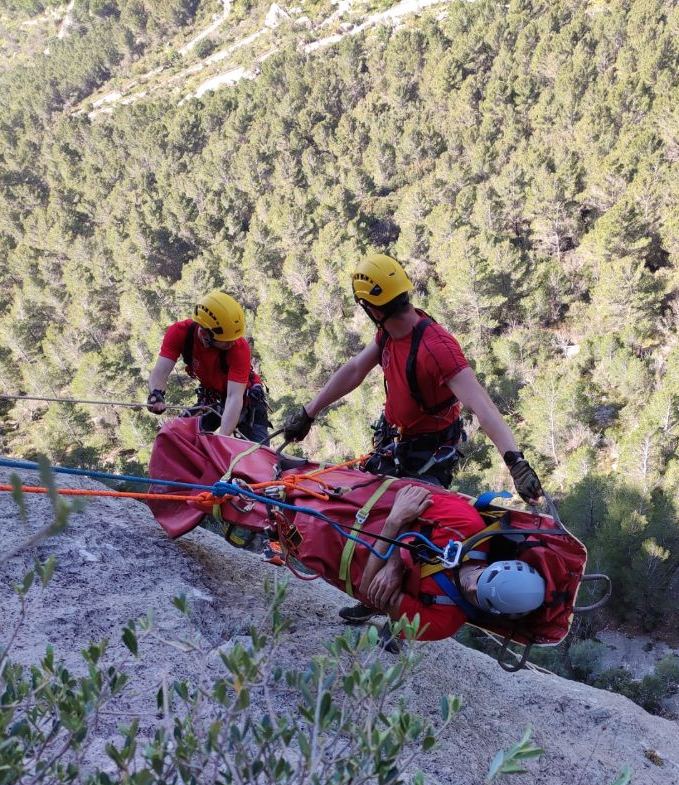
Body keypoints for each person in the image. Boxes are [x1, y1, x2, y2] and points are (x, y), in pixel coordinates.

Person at [279, 253, 544, 622]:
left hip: (428, 453)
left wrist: (515, 460)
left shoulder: (437, 347)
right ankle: (368, 587)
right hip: (395, 442)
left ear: (371, 306)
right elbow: (355, 368)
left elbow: (482, 405)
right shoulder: (390, 331)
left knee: (411, 526)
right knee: (368, 512)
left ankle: (395, 610)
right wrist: (309, 412)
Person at [357, 484, 546, 642]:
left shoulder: (442, 622)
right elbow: (409, 492)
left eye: (480, 599)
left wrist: (394, 523)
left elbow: (366, 591)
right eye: (481, 578)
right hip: (359, 509)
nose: (470, 587)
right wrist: (393, 564)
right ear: (493, 566)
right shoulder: (468, 525)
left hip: (344, 562)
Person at [145, 291, 270, 442]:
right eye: (226, 340)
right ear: (204, 334)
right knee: (174, 437)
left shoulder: (239, 347)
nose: (232, 343)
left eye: (234, 338)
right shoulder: (179, 333)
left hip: (247, 398)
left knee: (257, 456)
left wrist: (222, 440)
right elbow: (160, 372)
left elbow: (234, 398)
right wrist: (156, 394)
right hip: (212, 398)